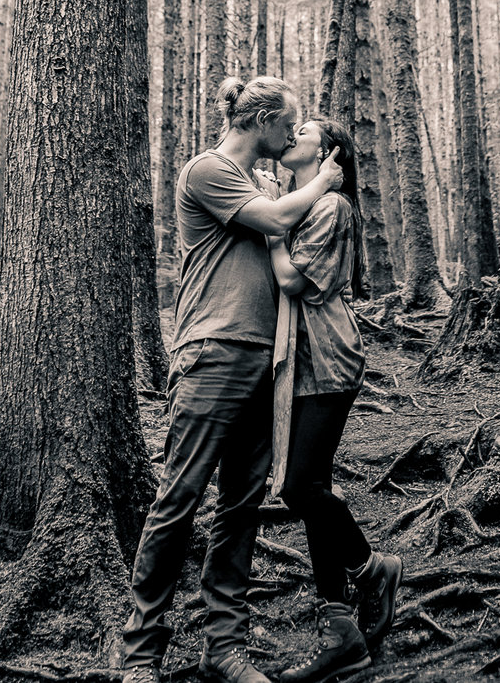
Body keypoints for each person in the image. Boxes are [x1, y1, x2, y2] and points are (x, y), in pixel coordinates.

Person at [122, 76, 345, 683]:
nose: (294, 134)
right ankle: (142, 654)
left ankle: (225, 647)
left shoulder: (259, 179)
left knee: (241, 506)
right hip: (212, 351)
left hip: (267, 358)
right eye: (289, 123)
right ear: (264, 120)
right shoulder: (208, 169)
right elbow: (274, 220)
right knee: (179, 498)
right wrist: (325, 177)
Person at [270, 117, 402, 683]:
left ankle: (373, 567)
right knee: (313, 486)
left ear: (325, 151)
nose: (290, 136)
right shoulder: (304, 200)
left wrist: (275, 233)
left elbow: (296, 281)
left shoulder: (332, 208)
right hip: (302, 364)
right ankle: (341, 632)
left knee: (300, 486)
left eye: (301, 130)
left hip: (329, 358)